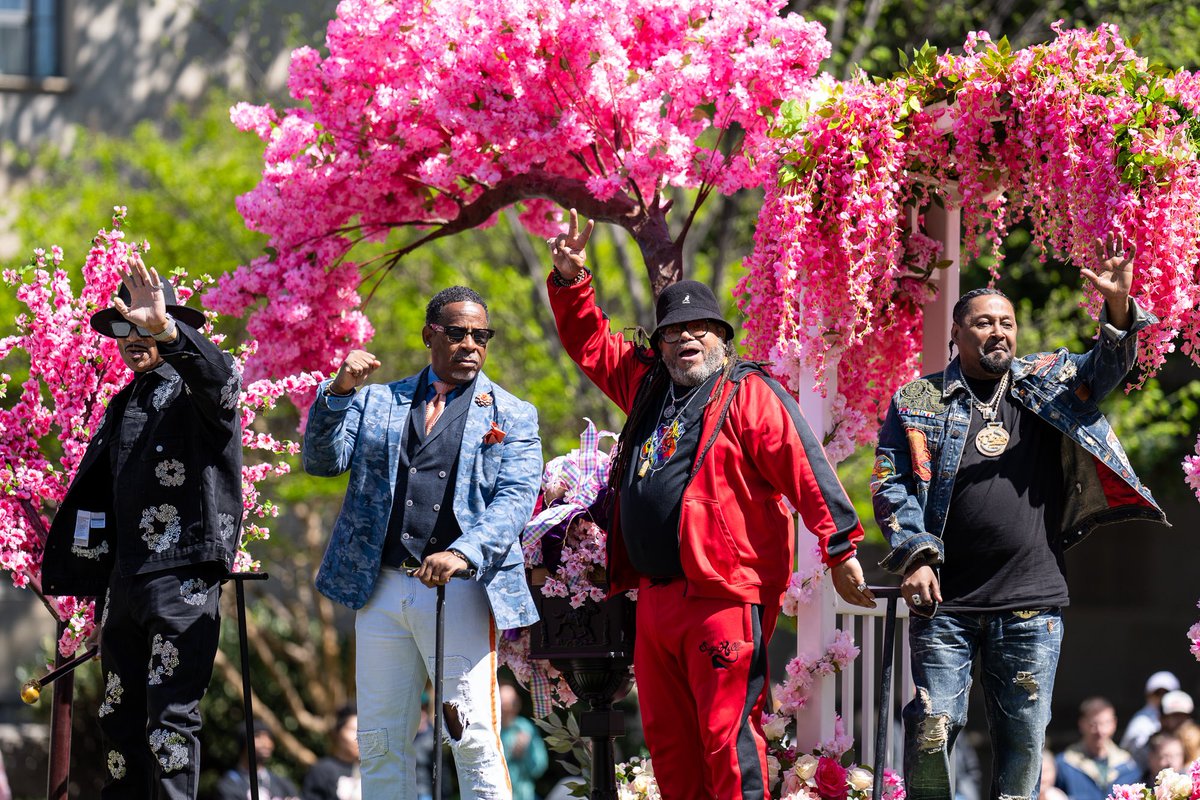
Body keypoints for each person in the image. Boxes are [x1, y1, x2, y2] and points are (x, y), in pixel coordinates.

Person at [545, 210, 873, 799]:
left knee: (728, 738)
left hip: (723, 591)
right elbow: (592, 344)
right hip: (655, 597)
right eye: (673, 331)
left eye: (701, 327)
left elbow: (805, 465)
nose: (687, 338)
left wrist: (840, 543)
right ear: (659, 343)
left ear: (723, 338)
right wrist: (572, 281)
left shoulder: (747, 391)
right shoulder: (648, 386)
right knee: (669, 744)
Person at [872, 232, 1166, 800]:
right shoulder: (917, 401)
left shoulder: (1045, 381)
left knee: (1025, 743)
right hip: (946, 604)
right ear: (957, 333)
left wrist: (1118, 308)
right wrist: (914, 554)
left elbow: (1106, 368)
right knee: (932, 731)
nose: (998, 332)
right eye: (983, 322)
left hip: (1031, 601)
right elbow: (890, 482)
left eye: (1005, 322)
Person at [303, 285, 542, 799]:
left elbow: (515, 501)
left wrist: (463, 552)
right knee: (380, 740)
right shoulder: (376, 400)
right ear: (429, 335)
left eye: (482, 335)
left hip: (459, 592)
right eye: (457, 333)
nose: (471, 345)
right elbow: (322, 462)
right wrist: (339, 392)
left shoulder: (512, 414)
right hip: (381, 587)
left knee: (472, 734)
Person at [40, 255, 243, 799]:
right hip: (123, 578)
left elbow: (221, 382)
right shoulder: (122, 400)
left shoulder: (198, 390)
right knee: (117, 719)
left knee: (169, 717)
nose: (134, 337)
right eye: (124, 327)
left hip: (182, 574)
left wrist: (168, 330)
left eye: (145, 325)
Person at [1055, 697, 1141, 800]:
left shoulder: (1128, 766)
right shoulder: (1065, 765)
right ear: (1082, 724)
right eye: (1093, 724)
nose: (1100, 731)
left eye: (1105, 723)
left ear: (1114, 723)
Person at [215, 722, 301, 800]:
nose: (266, 743)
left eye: (269, 737)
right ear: (244, 743)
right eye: (258, 737)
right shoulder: (229, 784)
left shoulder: (283, 784)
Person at [1121, 671, 1180, 768]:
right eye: (1157, 693)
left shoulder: (1182, 714)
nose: (1162, 697)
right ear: (1148, 695)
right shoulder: (1140, 721)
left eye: (1166, 692)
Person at [499, 685, 548, 800]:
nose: (506, 710)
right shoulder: (492, 731)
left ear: (516, 705)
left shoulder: (525, 728)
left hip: (525, 796)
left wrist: (526, 754)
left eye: (509, 705)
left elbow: (539, 767)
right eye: (502, 706)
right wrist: (511, 754)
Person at [303, 705, 361, 800]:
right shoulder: (322, 771)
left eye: (362, 731)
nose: (358, 736)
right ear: (338, 732)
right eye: (353, 730)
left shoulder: (371, 770)